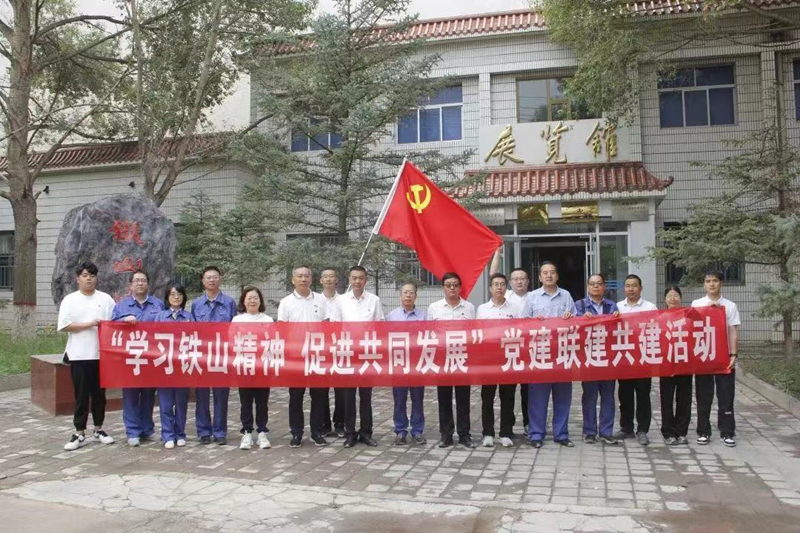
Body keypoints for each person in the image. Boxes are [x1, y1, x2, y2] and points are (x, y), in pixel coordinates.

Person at [58, 261, 116, 451]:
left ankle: (99, 429)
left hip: (102, 355)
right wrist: (90, 324)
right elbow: (65, 325)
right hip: (79, 355)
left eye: (92, 275)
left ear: (96, 278)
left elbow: (114, 322)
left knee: (99, 395)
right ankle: (79, 432)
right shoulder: (70, 300)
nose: (88, 279)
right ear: (78, 279)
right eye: (84, 275)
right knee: (81, 395)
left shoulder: (106, 299)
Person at [521, 261, 576, 448]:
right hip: (540, 354)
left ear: (557, 276)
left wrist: (570, 318)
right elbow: (523, 324)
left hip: (562, 354)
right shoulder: (532, 297)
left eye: (552, 272)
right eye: (545, 273)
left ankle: (561, 434)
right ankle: (536, 434)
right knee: (538, 398)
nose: (549, 275)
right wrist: (533, 321)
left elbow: (576, 323)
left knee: (563, 397)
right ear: (539, 277)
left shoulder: (566, 296)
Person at [278, 265, 330, 448]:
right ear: (293, 279)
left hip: (317, 355)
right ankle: (296, 433)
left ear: (311, 279)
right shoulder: (286, 302)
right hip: (295, 357)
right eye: (299, 276)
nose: (303, 279)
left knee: (319, 396)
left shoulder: (321, 300)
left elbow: (327, 326)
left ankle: (317, 432)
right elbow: (282, 330)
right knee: (296, 396)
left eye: (306, 276)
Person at [111, 269, 164, 447]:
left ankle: (147, 429)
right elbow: (111, 326)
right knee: (131, 395)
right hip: (130, 358)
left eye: (143, 280)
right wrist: (124, 320)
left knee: (149, 395)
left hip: (151, 357)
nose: (140, 283)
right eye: (137, 280)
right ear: (131, 285)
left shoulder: (157, 304)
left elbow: (166, 326)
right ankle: (132, 431)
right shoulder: (122, 305)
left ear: (148, 284)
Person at [427, 272, 476, 449]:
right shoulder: (434, 307)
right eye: (448, 285)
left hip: (462, 358)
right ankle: (446, 435)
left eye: (455, 285)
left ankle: (464, 434)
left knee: (464, 398)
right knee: (444, 398)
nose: (452, 288)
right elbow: (429, 333)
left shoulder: (469, 307)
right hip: (442, 359)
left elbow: (473, 332)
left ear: (460, 287)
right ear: (443, 288)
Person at [691, 271, 740, 447]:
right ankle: (703, 431)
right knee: (704, 395)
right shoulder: (697, 304)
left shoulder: (730, 306)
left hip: (724, 356)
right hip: (704, 356)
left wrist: (733, 354)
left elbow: (733, 331)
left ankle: (727, 432)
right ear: (704, 284)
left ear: (721, 283)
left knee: (726, 395)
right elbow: (692, 329)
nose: (711, 284)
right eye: (708, 281)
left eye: (715, 281)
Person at [338, 265, 384, 448]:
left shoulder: (374, 300)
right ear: (350, 279)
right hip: (347, 353)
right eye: (354, 278)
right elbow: (334, 327)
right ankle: (350, 433)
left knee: (366, 396)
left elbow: (379, 326)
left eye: (361, 278)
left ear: (366, 280)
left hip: (367, 353)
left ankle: (366, 432)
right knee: (348, 396)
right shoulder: (341, 300)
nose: (357, 281)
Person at [191, 266, 237, 445]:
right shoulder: (196, 304)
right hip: (202, 356)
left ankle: (220, 431)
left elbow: (234, 329)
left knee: (221, 395)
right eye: (208, 277)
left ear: (220, 280)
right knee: (201, 396)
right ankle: (203, 431)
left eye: (215, 277)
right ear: (203, 281)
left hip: (222, 355)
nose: (211, 280)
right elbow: (192, 330)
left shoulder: (229, 303)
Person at [477, 273, 522, 448]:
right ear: (490, 288)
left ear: (506, 287)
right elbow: (477, 334)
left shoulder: (515, 308)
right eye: (496, 284)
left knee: (508, 397)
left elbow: (521, 331)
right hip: (488, 360)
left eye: (502, 284)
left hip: (508, 358)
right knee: (487, 397)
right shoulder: (482, 309)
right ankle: (488, 433)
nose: (499, 287)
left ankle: (506, 432)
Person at [574, 273, 619, 446]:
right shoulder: (580, 306)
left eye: (599, 283)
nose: (596, 287)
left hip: (608, 357)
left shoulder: (612, 306)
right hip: (589, 357)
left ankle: (606, 432)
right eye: (592, 284)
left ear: (604, 287)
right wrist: (582, 320)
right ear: (588, 287)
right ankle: (589, 431)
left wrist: (617, 319)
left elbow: (617, 330)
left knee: (608, 396)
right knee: (590, 396)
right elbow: (574, 329)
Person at [489, 248, 530, 434]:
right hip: (507, 351)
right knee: (508, 392)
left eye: (522, 279)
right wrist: (497, 252)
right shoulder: (507, 297)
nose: (519, 281)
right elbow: (493, 275)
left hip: (527, 350)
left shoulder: (534, 297)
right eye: (515, 279)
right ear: (510, 283)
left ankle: (529, 424)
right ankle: (508, 426)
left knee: (528, 390)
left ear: (528, 281)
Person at [616, 274, 658, 446]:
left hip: (643, 358)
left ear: (640, 288)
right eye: (628, 286)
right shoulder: (618, 307)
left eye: (634, 285)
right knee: (624, 394)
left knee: (643, 395)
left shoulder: (650, 307)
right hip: (624, 357)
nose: (631, 289)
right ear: (624, 288)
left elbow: (656, 328)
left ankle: (642, 430)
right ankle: (626, 428)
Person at [233, 286, 274, 451]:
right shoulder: (237, 320)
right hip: (244, 366)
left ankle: (262, 432)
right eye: (249, 298)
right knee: (246, 401)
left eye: (255, 298)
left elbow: (272, 343)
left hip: (262, 367)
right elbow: (231, 341)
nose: (252, 301)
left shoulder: (268, 320)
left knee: (262, 401)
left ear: (260, 301)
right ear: (243, 301)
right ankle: (247, 432)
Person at [386, 282, 427, 446]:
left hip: (417, 364)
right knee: (399, 399)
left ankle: (417, 431)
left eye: (411, 292)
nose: (408, 295)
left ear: (416, 295)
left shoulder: (423, 316)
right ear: (400, 295)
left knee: (418, 399)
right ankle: (400, 430)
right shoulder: (392, 316)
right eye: (405, 292)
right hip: (399, 363)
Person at [154, 283, 192, 449]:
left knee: (181, 402)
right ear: (167, 297)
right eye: (173, 294)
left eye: (179, 294)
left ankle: (180, 433)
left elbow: (196, 339)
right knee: (166, 403)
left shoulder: (189, 317)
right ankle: (167, 434)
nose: (176, 297)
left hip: (183, 365)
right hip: (164, 365)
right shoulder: (160, 316)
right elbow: (153, 339)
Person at [660, 285, 692, 446]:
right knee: (666, 399)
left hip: (685, 362)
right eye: (669, 296)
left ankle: (682, 431)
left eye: (676, 295)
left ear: (680, 298)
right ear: (665, 299)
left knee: (684, 398)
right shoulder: (659, 317)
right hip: (666, 363)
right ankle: (668, 432)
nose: (673, 299)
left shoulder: (688, 316)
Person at [319, 267, 344, 438]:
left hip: (340, 349)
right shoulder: (315, 300)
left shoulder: (343, 300)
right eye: (325, 277)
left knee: (341, 389)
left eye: (332, 276)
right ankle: (324, 424)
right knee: (321, 390)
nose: (329, 279)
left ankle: (340, 423)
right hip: (321, 350)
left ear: (336, 280)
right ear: (321, 280)